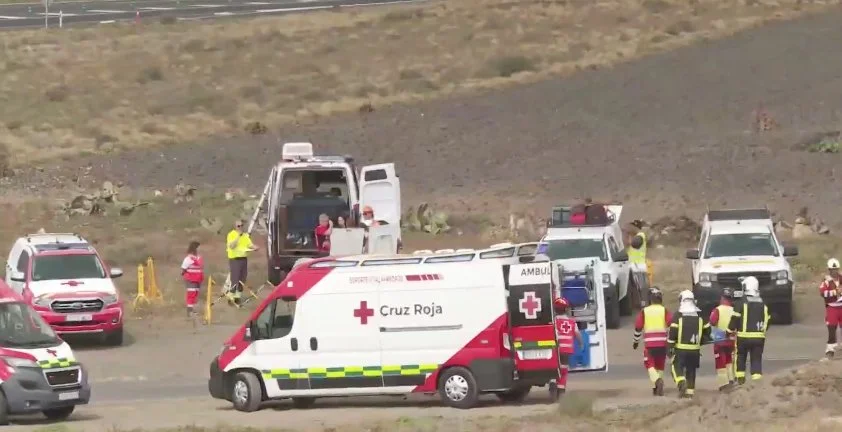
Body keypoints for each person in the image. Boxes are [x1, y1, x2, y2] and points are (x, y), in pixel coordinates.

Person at [667, 290, 711, 398]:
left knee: (676, 367)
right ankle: (690, 394)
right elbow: (708, 331)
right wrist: (702, 340)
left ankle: (681, 382)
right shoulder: (700, 316)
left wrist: (669, 347)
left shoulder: (678, 315)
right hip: (695, 351)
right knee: (691, 371)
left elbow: (672, 333)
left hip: (681, 350)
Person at [729, 276, 770, 384]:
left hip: (743, 337)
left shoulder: (741, 302)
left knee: (741, 357)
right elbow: (768, 320)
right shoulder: (763, 303)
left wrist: (729, 330)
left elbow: (735, 318)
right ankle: (756, 382)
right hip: (759, 337)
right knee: (756, 359)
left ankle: (741, 381)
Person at [632, 287, 672, 396]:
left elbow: (638, 328)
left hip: (650, 345)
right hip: (663, 344)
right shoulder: (664, 310)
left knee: (649, 364)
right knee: (660, 365)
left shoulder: (645, 311)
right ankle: (657, 389)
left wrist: (635, 342)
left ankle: (657, 382)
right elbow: (672, 325)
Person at [549, 297, 582, 400]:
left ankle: (553, 384)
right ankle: (561, 393)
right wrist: (581, 344)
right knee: (563, 371)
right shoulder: (572, 322)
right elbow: (578, 335)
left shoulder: (554, 321)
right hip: (567, 351)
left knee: (553, 368)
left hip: (556, 350)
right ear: (566, 309)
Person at [709, 287, 737, 391]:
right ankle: (731, 379)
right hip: (731, 341)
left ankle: (723, 383)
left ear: (722, 297)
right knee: (729, 361)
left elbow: (712, 321)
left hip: (719, 341)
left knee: (720, 361)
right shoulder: (734, 310)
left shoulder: (718, 310)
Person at [226, 219, 258, 305]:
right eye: (238, 226)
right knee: (235, 278)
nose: (240, 227)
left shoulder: (245, 236)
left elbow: (250, 244)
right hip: (234, 259)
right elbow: (232, 246)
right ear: (235, 227)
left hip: (243, 259)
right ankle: (230, 297)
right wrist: (238, 237)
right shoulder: (231, 235)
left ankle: (237, 297)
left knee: (242, 278)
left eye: (241, 226)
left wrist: (255, 247)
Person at [819, 258, 842, 359]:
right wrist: (834, 292)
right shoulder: (826, 281)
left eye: (836, 269)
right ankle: (830, 351)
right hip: (832, 307)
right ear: (829, 270)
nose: (834, 271)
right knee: (832, 329)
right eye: (832, 270)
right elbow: (822, 293)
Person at [180, 241, 204, 318]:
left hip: (198, 279)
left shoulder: (199, 258)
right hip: (191, 280)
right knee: (191, 295)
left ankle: (192, 310)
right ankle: (189, 311)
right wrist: (184, 275)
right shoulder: (188, 259)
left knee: (195, 295)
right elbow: (183, 269)